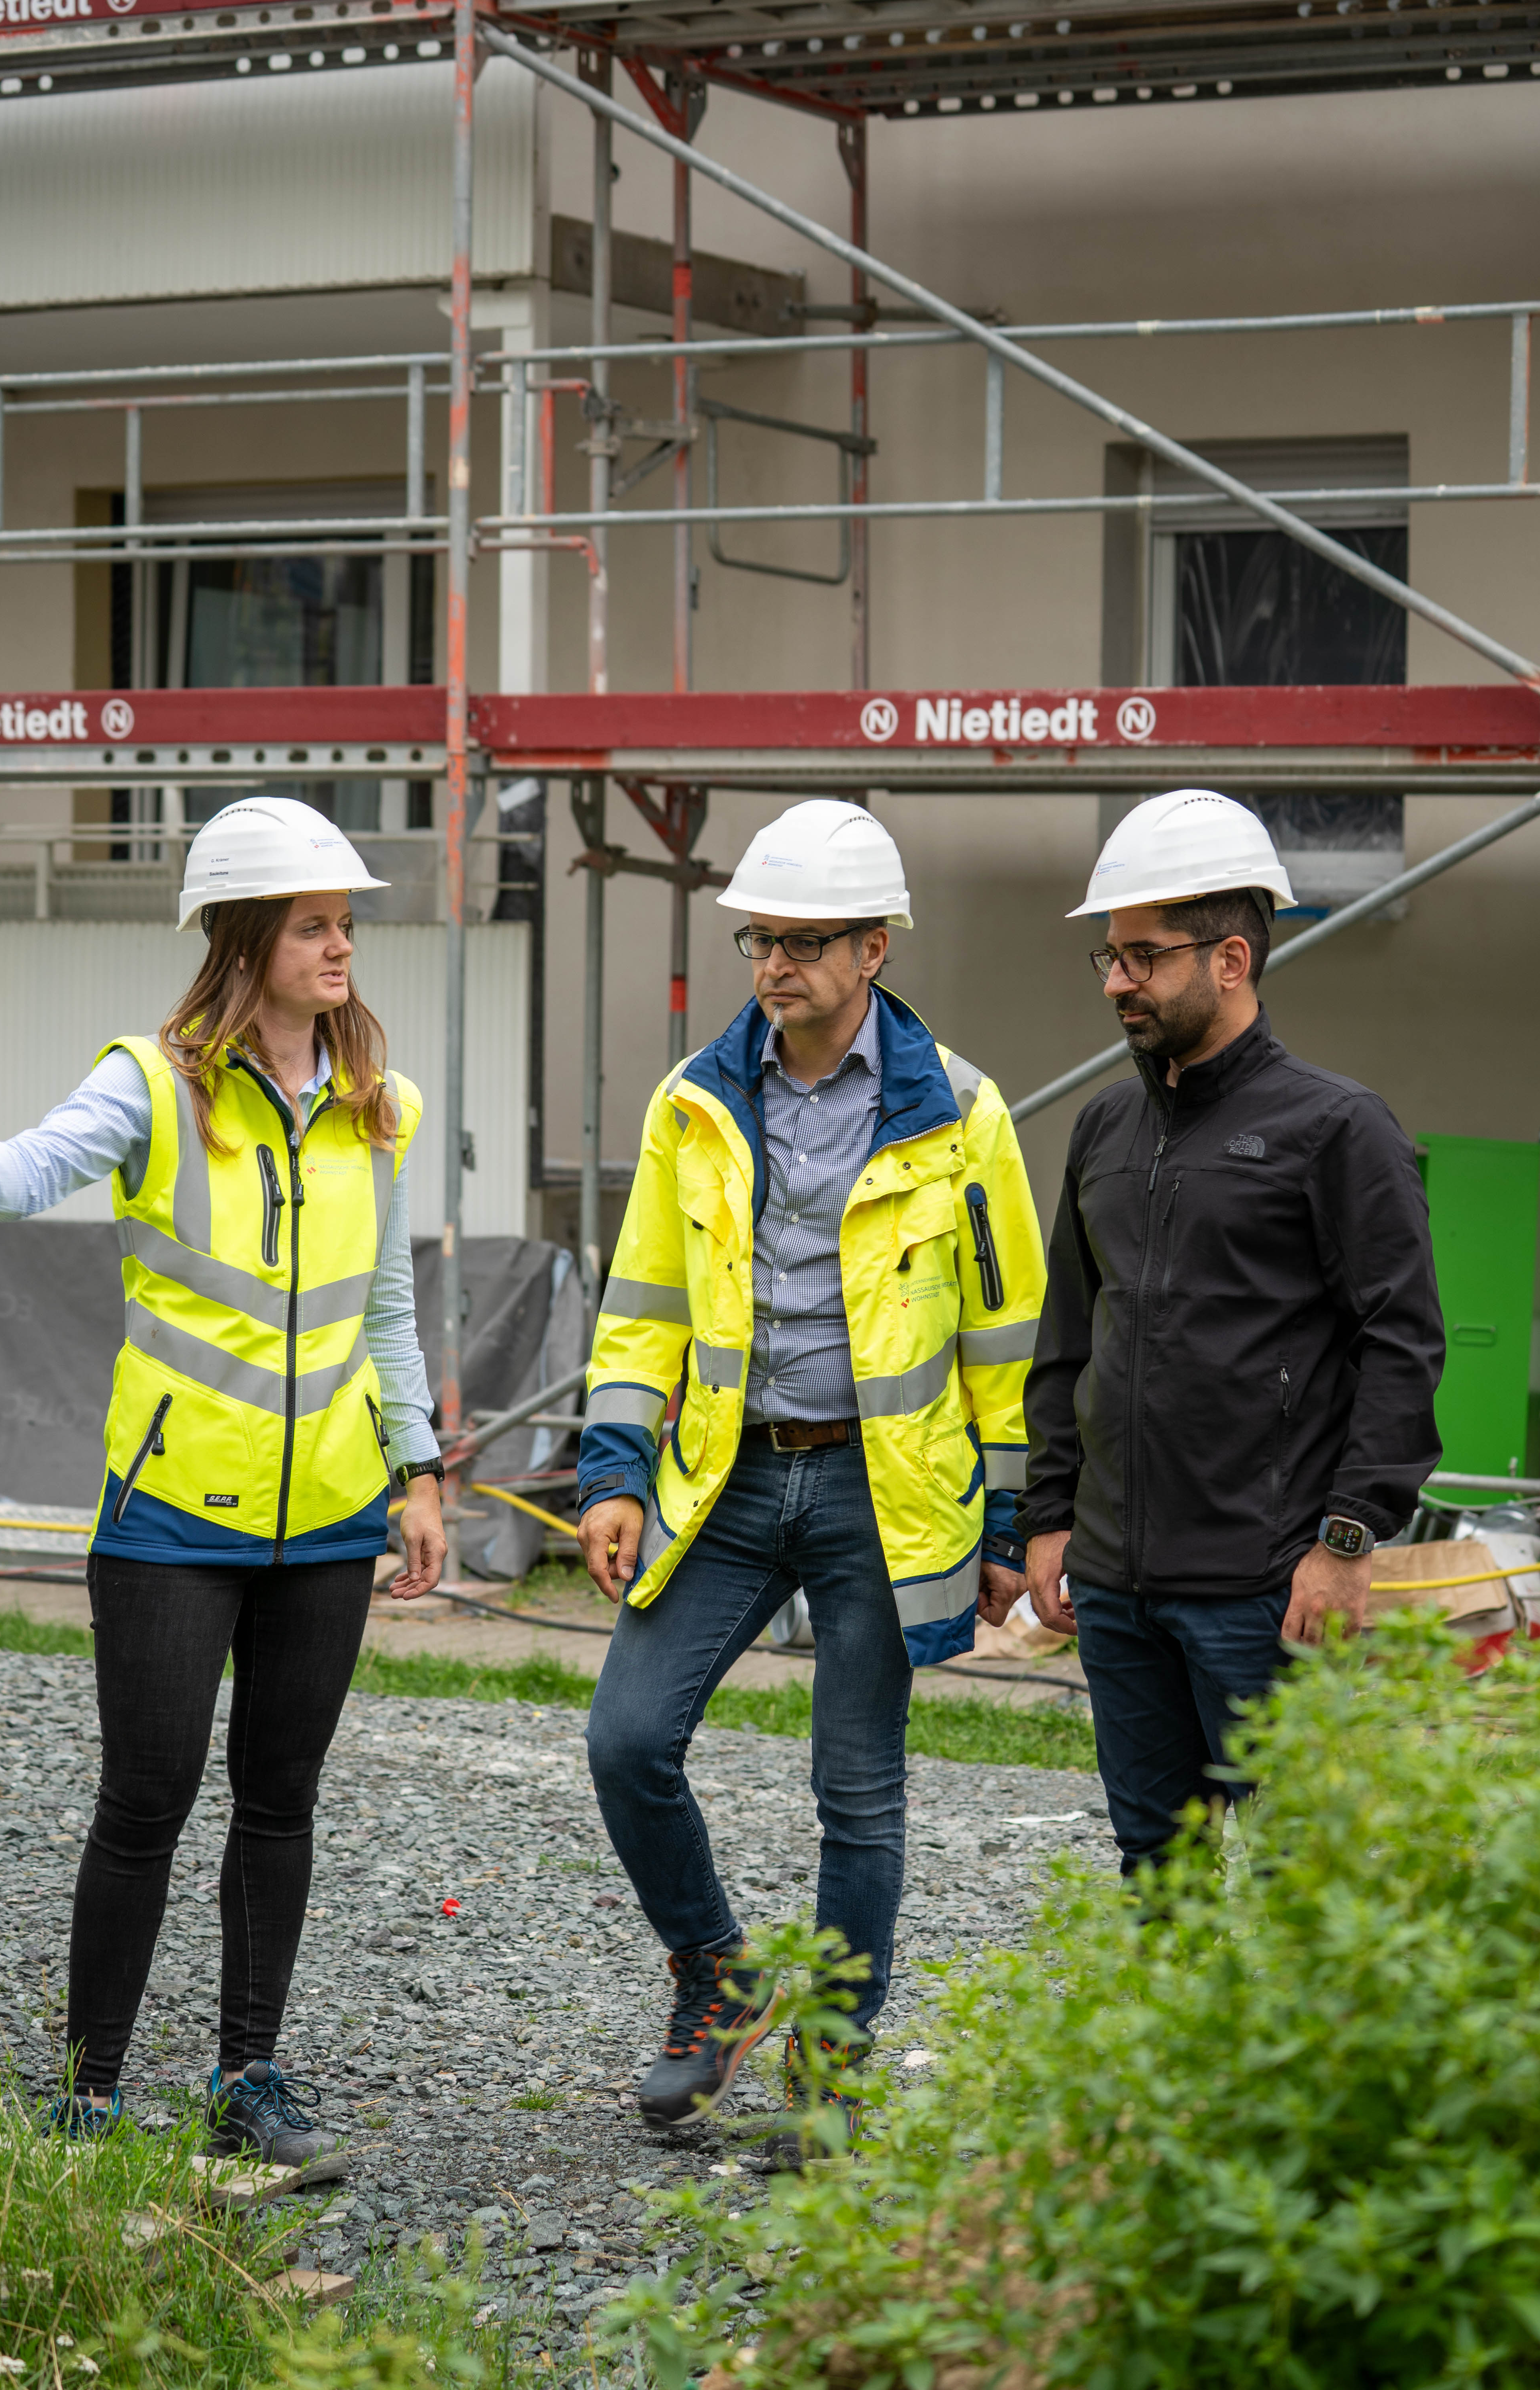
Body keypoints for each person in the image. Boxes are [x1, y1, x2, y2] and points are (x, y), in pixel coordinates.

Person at [575, 799, 1046, 2153]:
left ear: (875, 950)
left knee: (859, 1792)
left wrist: (1009, 1514)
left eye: (803, 942)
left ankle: (831, 2076)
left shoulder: (961, 1114)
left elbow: (1004, 1334)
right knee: (626, 1740)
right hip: (722, 1481)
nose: (775, 965)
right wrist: (616, 1471)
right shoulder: (696, 1103)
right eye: (759, 941)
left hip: (875, 1493)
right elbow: (644, 1304)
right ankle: (718, 1975)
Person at [0, 795, 447, 2157]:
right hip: (174, 1516)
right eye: (314, 924)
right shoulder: (149, 1081)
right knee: (146, 1797)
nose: (341, 947)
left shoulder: (381, 1106)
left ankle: (249, 2081)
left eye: (346, 924)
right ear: (245, 939)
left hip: (329, 1521)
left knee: (281, 1797)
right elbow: (19, 1176)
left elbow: (389, 1311)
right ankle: (88, 2090)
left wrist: (415, 1472)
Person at [1017, 788, 1445, 1875]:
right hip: (1117, 1587)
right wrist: (1052, 1516)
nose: (1118, 981)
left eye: (1143, 957)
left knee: (1308, 1875)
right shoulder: (1105, 1126)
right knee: (1159, 1873)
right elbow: (1071, 1334)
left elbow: (1403, 1344)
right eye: (1110, 958)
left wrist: (1346, 1545)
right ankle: (1180, 2053)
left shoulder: (1338, 1129)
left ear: (1231, 959)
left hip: (1267, 1592)